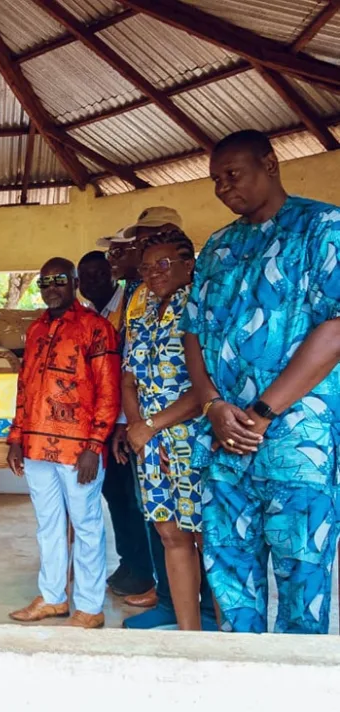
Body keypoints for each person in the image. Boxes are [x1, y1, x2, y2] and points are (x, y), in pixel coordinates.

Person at [183, 129, 340, 634]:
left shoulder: (322, 228)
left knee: (302, 580)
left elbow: (335, 327)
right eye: (215, 181)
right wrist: (211, 405)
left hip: (296, 444)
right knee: (230, 578)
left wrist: (263, 413)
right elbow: (192, 333)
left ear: (270, 164)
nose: (223, 188)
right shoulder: (218, 247)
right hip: (225, 443)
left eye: (233, 174)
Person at [7, 258, 120, 629]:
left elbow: (108, 390)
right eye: (44, 282)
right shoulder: (36, 328)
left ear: (73, 282)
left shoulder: (96, 327)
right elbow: (25, 386)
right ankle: (53, 598)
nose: (51, 287)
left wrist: (94, 444)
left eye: (59, 280)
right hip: (37, 446)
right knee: (48, 525)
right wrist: (16, 437)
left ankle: (90, 606)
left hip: (78, 449)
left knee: (87, 525)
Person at [119, 229, 213, 631]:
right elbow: (128, 380)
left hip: (195, 441)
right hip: (152, 447)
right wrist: (137, 430)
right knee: (171, 534)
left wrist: (149, 425)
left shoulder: (202, 308)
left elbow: (206, 388)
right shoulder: (140, 314)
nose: (153, 274)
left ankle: (221, 635)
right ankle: (188, 638)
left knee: (208, 540)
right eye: (146, 267)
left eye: (163, 265)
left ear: (187, 266)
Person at [78, 250, 155, 601]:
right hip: (101, 421)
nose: (92, 280)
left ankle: (146, 572)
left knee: (136, 498)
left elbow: (127, 371)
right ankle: (132, 563)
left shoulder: (130, 305)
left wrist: (126, 420)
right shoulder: (86, 315)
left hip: (129, 420)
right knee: (115, 496)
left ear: (112, 274)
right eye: (86, 276)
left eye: (98, 273)